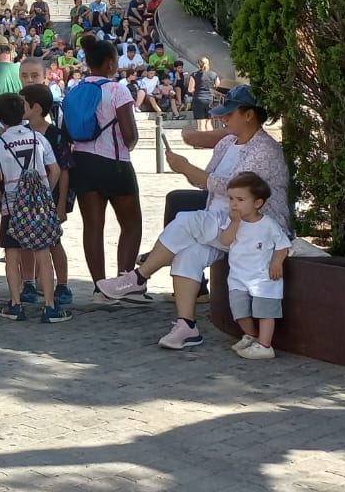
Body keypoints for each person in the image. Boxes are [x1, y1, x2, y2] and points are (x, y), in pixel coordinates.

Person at [97, 85, 291, 345]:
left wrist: (187, 167)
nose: (223, 118)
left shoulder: (265, 150)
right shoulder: (226, 143)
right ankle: (186, 325)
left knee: (186, 221)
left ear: (249, 115)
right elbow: (207, 182)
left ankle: (139, 277)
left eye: (230, 114)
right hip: (223, 222)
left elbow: (232, 187)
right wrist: (182, 167)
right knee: (188, 255)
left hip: (255, 226)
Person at [67, 37, 143, 294]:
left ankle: (100, 287)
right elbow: (129, 134)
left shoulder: (75, 90)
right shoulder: (117, 89)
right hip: (114, 162)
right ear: (111, 63)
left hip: (82, 162)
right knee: (131, 224)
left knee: (93, 226)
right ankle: (123, 283)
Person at [0, 93, 69, 323]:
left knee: (12, 256)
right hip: (39, 205)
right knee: (43, 254)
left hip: (12, 206)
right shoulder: (38, 138)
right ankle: (50, 306)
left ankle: (15, 304)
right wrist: (45, 193)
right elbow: (54, 170)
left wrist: (2, 198)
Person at [220, 172, 290, 359]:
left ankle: (265, 345)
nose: (234, 204)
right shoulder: (232, 221)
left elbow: (283, 245)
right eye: (231, 198)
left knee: (265, 311)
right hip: (238, 276)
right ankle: (251, 335)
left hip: (263, 277)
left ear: (257, 203)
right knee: (239, 310)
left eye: (240, 199)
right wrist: (234, 224)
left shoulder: (268, 224)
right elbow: (225, 241)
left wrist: (276, 262)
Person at [22, 84, 74, 309]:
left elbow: (64, 171)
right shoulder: (20, 133)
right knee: (26, 242)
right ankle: (29, 283)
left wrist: (61, 203)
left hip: (50, 198)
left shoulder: (55, 134)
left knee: (54, 242)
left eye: (23, 103)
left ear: (35, 107)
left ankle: (62, 285)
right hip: (26, 198)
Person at [188, 57, 220, 130]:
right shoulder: (213, 74)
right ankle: (210, 140)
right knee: (208, 122)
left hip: (199, 99)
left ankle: (201, 141)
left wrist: (195, 91)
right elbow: (218, 86)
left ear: (198, 65)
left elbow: (190, 89)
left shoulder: (194, 75)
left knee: (201, 123)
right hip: (210, 99)